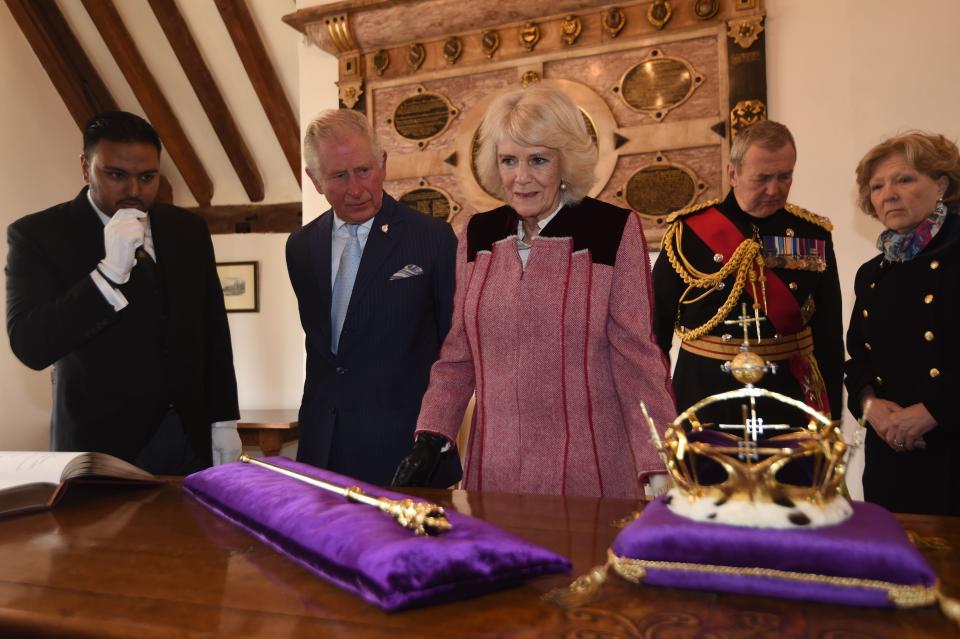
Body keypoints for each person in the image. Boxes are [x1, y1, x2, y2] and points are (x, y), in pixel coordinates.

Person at [392, 85, 676, 499]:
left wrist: (659, 465)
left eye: (538, 160)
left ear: (566, 163)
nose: (521, 177)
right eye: (509, 160)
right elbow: (458, 357)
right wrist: (432, 436)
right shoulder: (478, 234)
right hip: (493, 476)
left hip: (591, 476)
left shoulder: (612, 231)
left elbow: (637, 360)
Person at [5, 111, 241, 474]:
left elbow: (212, 328)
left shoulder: (187, 229)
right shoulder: (38, 235)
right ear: (86, 167)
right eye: (116, 175)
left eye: (147, 177)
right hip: (100, 445)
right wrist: (107, 276)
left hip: (190, 439)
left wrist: (224, 421)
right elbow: (31, 345)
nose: (134, 190)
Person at [286, 109, 461, 487]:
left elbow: (454, 351)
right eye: (338, 176)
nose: (355, 188)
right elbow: (325, 354)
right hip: (322, 451)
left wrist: (435, 438)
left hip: (406, 453)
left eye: (364, 170)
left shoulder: (432, 239)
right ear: (315, 180)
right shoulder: (300, 248)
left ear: (383, 163)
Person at [652, 120, 843, 427]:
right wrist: (655, 410)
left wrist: (832, 415)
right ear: (733, 173)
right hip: (705, 400)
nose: (774, 189)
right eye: (763, 178)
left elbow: (829, 332)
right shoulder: (686, 234)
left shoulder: (812, 234)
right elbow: (653, 334)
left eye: (785, 176)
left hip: (790, 400)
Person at [845, 132, 960, 516]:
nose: (888, 194)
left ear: (941, 185)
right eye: (877, 186)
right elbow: (858, 358)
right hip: (890, 456)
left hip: (950, 451)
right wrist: (869, 404)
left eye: (904, 179)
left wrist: (931, 411)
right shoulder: (872, 273)